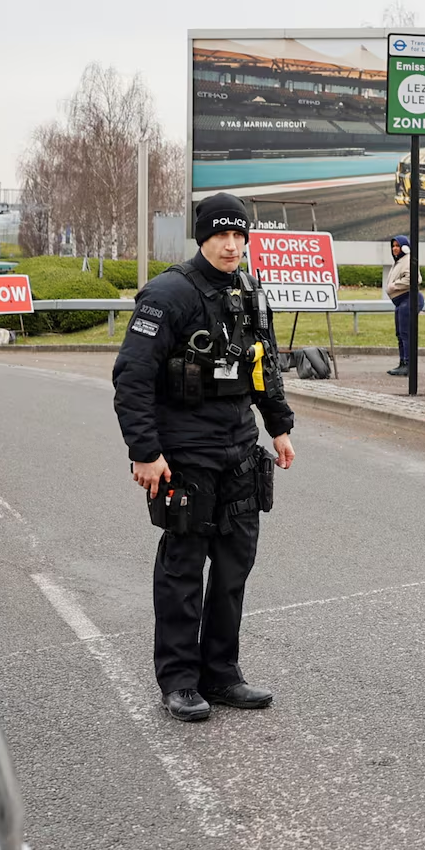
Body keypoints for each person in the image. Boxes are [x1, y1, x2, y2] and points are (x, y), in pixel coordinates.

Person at [113, 192, 295, 723]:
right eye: (221, 234)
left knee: (235, 566)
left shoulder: (250, 291)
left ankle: (222, 673)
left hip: (239, 448)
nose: (232, 244)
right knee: (183, 566)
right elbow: (132, 378)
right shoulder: (168, 294)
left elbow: (263, 364)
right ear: (202, 237)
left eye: (240, 235)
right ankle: (180, 680)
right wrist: (144, 452)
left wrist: (279, 425)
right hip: (184, 454)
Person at [384, 234, 424, 377]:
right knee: (400, 333)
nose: (395, 249)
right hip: (402, 301)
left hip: (409, 299)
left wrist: (394, 286)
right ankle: (403, 363)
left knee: (406, 333)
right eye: (393, 246)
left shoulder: (408, 260)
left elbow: (414, 278)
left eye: (397, 246)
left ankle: (408, 364)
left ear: (405, 247)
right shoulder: (400, 261)